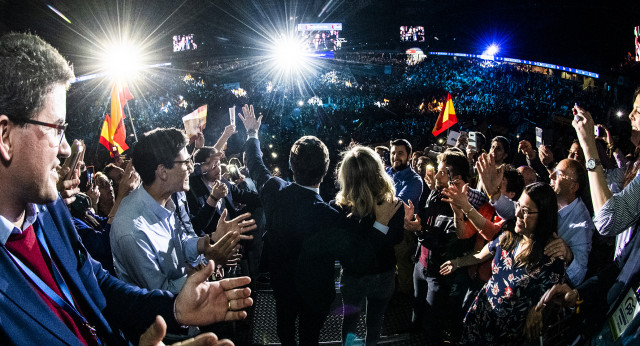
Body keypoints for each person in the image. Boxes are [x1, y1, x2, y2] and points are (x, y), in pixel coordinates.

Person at [0, 32, 252, 344]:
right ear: (5, 137)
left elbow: (96, 283)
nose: (65, 149)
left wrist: (174, 308)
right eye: (57, 129)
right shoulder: (126, 226)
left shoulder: (48, 210)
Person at [237, 104, 400, 345]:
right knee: (310, 336)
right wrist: (382, 223)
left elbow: (254, 163)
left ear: (291, 167)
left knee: (284, 330)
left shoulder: (273, 190)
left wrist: (252, 133)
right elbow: (359, 258)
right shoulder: (330, 215)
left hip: (282, 284)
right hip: (316, 293)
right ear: (325, 172)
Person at [110, 128, 256, 293]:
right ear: (163, 171)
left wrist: (209, 240)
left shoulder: (167, 200)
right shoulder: (132, 232)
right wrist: (209, 262)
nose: (191, 169)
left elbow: (180, 244)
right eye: (185, 162)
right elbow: (164, 293)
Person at [440, 183, 565, 344]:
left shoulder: (551, 261)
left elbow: (555, 302)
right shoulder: (509, 236)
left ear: (544, 216)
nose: (518, 213)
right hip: (482, 314)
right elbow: (480, 255)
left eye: (526, 211)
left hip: (506, 335)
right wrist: (456, 263)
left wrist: (539, 309)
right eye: (518, 205)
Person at [331, 145, 404, 345]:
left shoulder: (337, 208)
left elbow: (349, 254)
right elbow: (396, 239)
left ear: (346, 175)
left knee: (351, 322)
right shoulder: (393, 205)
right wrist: (380, 225)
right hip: (382, 275)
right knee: (375, 323)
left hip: (355, 276)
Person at [386, 139, 423, 296]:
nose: (395, 157)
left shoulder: (414, 180)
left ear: (409, 156)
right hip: (384, 227)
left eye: (400, 153)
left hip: (403, 231)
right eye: (393, 153)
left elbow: (397, 205)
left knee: (403, 269)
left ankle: (404, 300)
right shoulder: (386, 172)